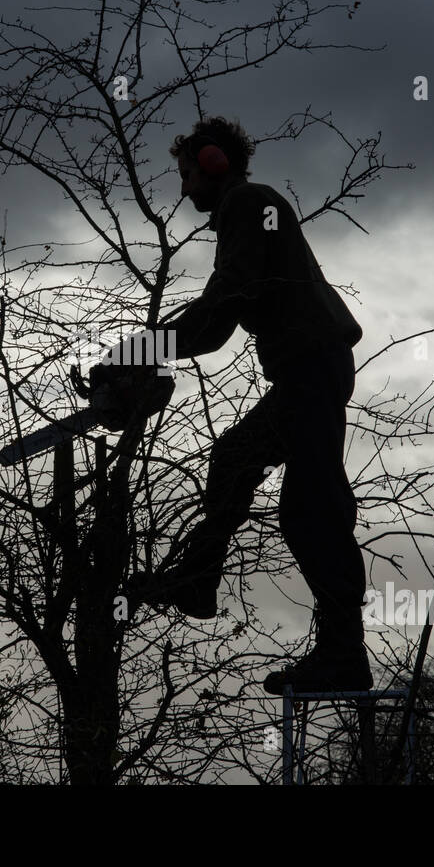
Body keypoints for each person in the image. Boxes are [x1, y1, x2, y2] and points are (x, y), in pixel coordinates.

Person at [127, 115, 373, 694]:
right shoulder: (252, 210)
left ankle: (343, 655)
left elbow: (222, 308)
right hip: (306, 371)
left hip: (311, 369)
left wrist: (140, 351)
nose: (184, 187)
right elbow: (222, 312)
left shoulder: (248, 204)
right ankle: (198, 579)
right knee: (235, 457)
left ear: (214, 162)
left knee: (313, 510)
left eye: (188, 173)